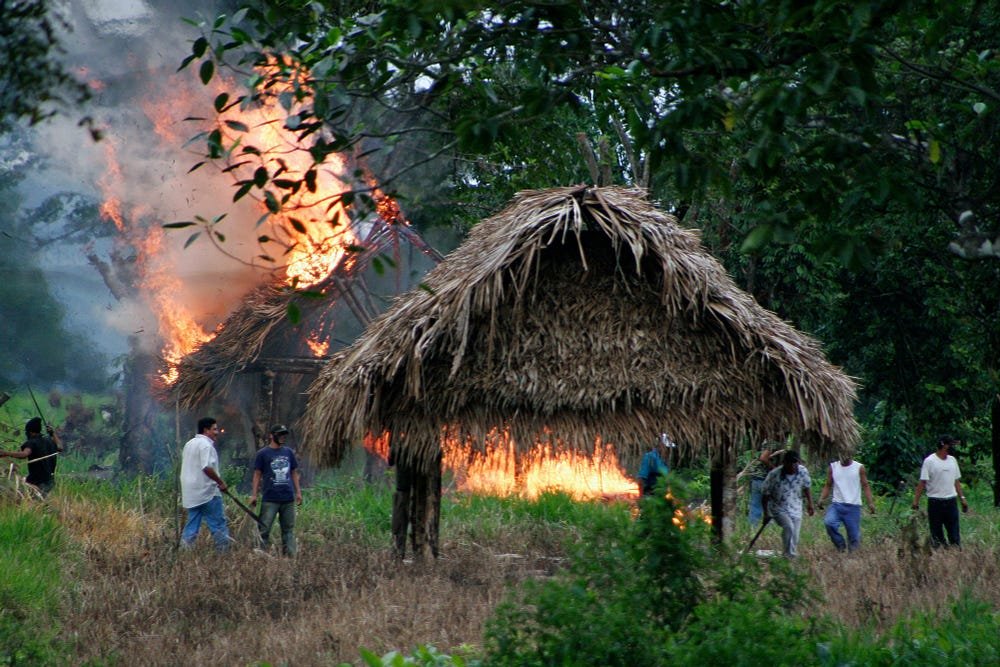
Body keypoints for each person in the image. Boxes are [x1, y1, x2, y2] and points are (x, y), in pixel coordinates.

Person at [249, 424, 302, 556]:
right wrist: (254, 495)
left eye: (284, 435)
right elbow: (257, 474)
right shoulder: (263, 454)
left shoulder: (288, 452)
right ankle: (261, 555)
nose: (283, 437)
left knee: (288, 530)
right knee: (264, 529)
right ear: (271, 436)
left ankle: (290, 556)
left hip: (288, 498)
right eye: (280, 435)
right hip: (270, 498)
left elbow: (294, 472)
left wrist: (298, 492)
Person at [179, 417, 231, 552]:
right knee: (218, 525)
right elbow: (206, 467)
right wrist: (220, 482)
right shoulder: (206, 445)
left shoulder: (189, 444)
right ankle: (223, 554)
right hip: (208, 492)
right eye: (214, 429)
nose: (217, 432)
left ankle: (184, 554)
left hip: (191, 494)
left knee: (192, 525)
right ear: (206, 430)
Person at [911, 435, 968, 548]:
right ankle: (940, 555)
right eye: (950, 445)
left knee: (954, 533)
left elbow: (956, 481)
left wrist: (962, 498)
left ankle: (955, 554)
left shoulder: (952, 461)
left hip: (951, 501)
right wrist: (915, 501)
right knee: (936, 533)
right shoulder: (930, 461)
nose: (952, 448)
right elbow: (922, 482)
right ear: (944, 446)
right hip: (935, 502)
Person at [761, 450, 814, 558]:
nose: (793, 465)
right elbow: (765, 494)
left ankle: (788, 555)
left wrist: (810, 504)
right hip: (778, 508)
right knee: (788, 527)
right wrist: (766, 513)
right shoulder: (774, 475)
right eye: (790, 462)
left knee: (795, 535)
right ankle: (790, 556)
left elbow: (807, 486)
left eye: (795, 463)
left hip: (796, 507)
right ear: (784, 462)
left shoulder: (803, 471)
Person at [818, 454, 876, 552]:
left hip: (853, 506)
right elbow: (828, 484)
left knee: (854, 537)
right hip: (837, 504)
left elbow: (865, 485)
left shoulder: (859, 467)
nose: (845, 457)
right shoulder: (833, 467)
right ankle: (840, 545)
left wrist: (870, 503)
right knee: (829, 523)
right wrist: (821, 499)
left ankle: (852, 560)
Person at [0, 417, 63, 495]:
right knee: (37, 503)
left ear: (30, 432)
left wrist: (5, 453)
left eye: (27, 432)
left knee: (26, 499)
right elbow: (60, 447)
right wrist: (53, 433)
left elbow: (24, 454)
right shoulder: (49, 440)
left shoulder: (32, 443)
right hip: (49, 482)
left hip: (37, 483)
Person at [745, 445, 776, 525]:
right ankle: (769, 529)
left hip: (755, 480)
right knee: (769, 506)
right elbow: (763, 458)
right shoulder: (771, 443)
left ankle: (752, 528)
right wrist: (774, 469)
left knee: (755, 506)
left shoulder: (759, 443)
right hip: (764, 480)